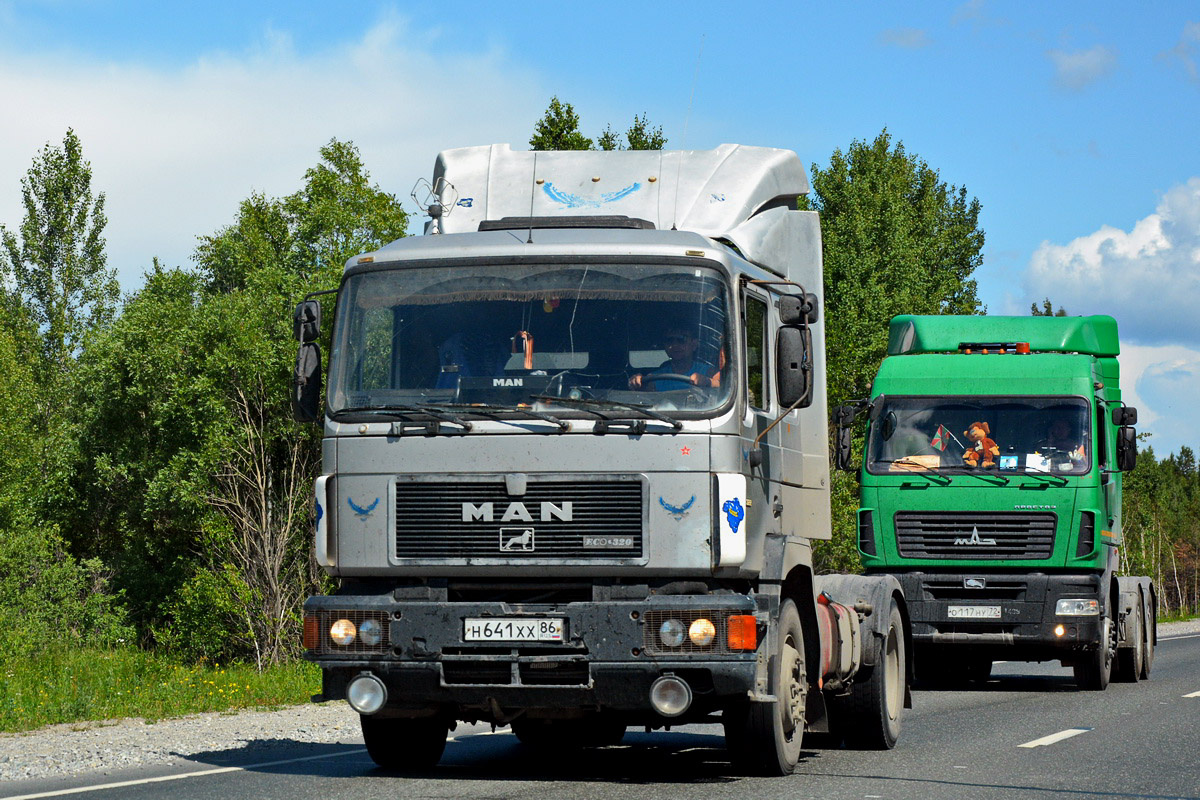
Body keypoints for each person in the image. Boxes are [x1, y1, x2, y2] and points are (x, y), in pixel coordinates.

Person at [628, 326, 717, 391]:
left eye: (681, 339)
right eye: (669, 340)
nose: (674, 345)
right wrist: (636, 382)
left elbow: (726, 388)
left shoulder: (709, 372)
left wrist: (707, 382)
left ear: (694, 344)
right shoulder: (654, 378)